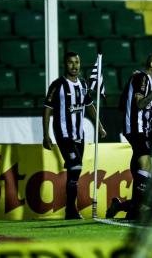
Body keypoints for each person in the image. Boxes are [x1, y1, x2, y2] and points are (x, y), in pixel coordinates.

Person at [42, 51, 106, 220]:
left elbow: (90, 106)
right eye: (71, 62)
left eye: (77, 62)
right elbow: (47, 109)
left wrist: (99, 126)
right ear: (65, 64)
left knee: (74, 172)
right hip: (63, 134)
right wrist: (46, 134)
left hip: (79, 135)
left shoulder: (84, 84)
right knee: (76, 166)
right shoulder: (57, 85)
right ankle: (71, 209)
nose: (74, 66)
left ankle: (70, 210)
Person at [106, 52, 152, 219]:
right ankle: (136, 211)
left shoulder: (143, 79)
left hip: (139, 128)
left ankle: (124, 207)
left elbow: (123, 104)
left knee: (146, 166)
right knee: (146, 164)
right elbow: (140, 104)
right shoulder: (142, 77)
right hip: (137, 128)